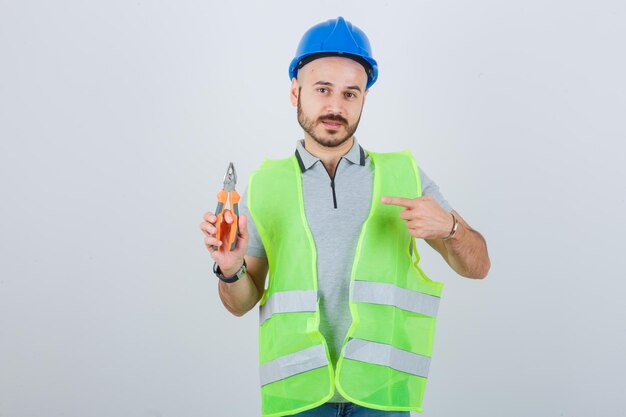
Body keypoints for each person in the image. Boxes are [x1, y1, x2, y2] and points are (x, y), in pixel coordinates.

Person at [200, 16, 490, 417]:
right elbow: (240, 303)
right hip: (298, 396)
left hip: (380, 396)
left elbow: (479, 266)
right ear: (294, 92)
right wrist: (230, 270)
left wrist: (451, 229)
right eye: (322, 90)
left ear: (364, 98)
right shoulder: (265, 185)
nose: (335, 106)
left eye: (350, 94)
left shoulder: (403, 175)